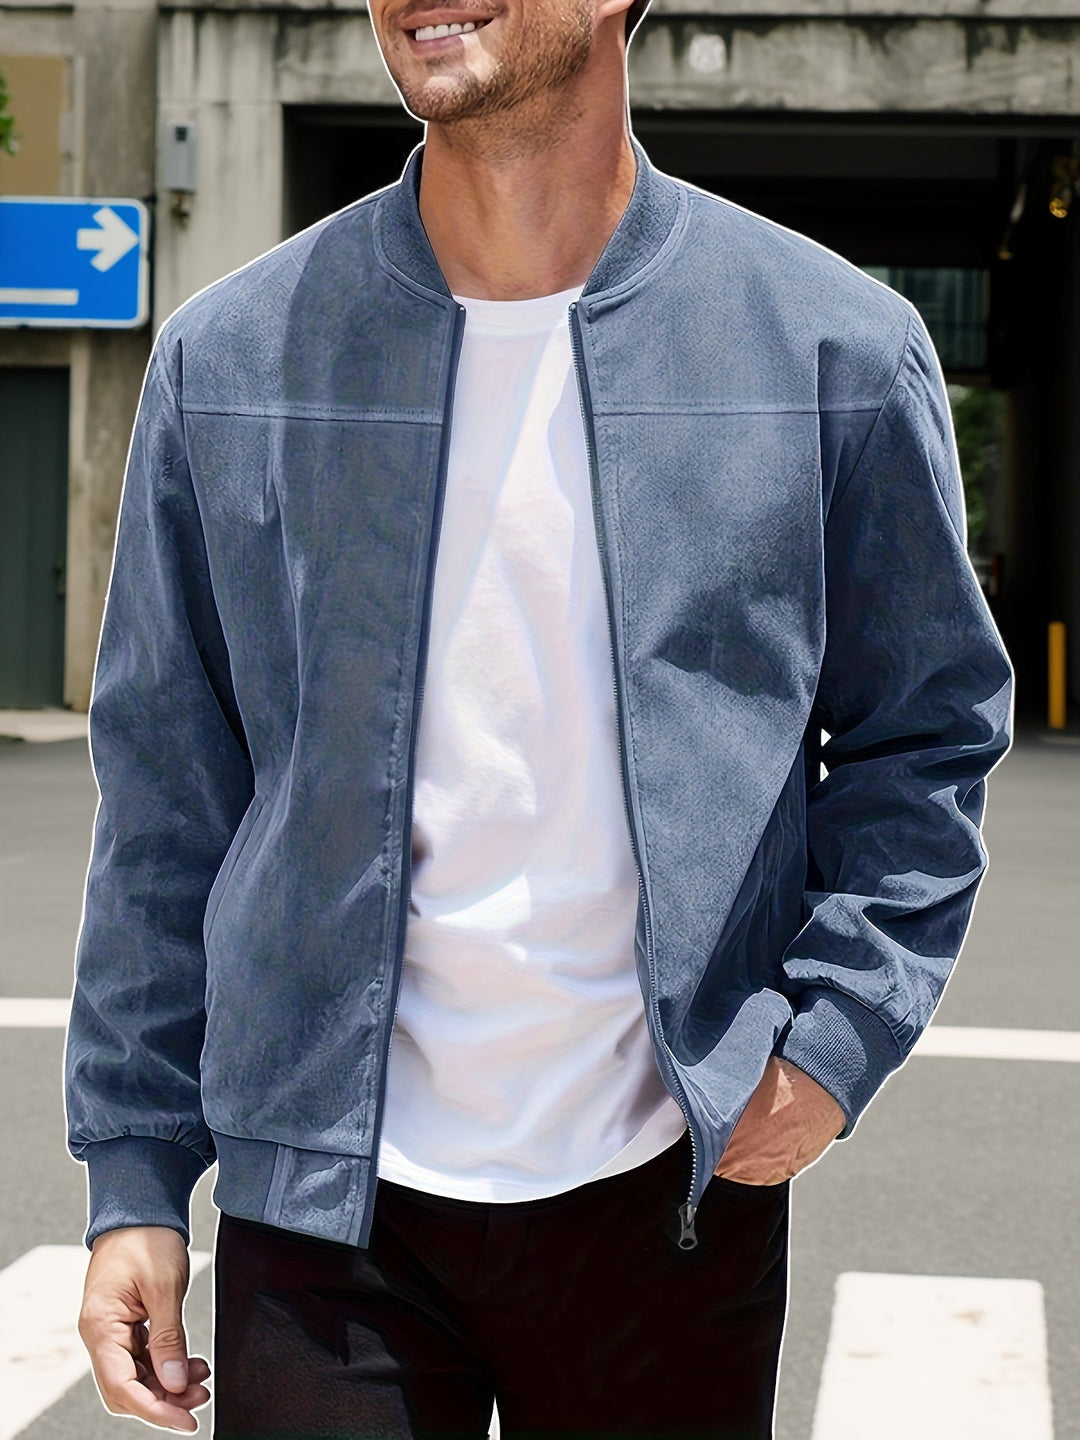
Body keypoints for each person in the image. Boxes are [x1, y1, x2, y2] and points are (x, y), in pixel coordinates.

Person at [64, 0, 1013, 1434]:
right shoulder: (236, 360)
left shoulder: (831, 346)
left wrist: (835, 1036)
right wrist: (135, 1173)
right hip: (324, 1210)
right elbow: (166, 791)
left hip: (668, 1194)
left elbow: (925, 731)